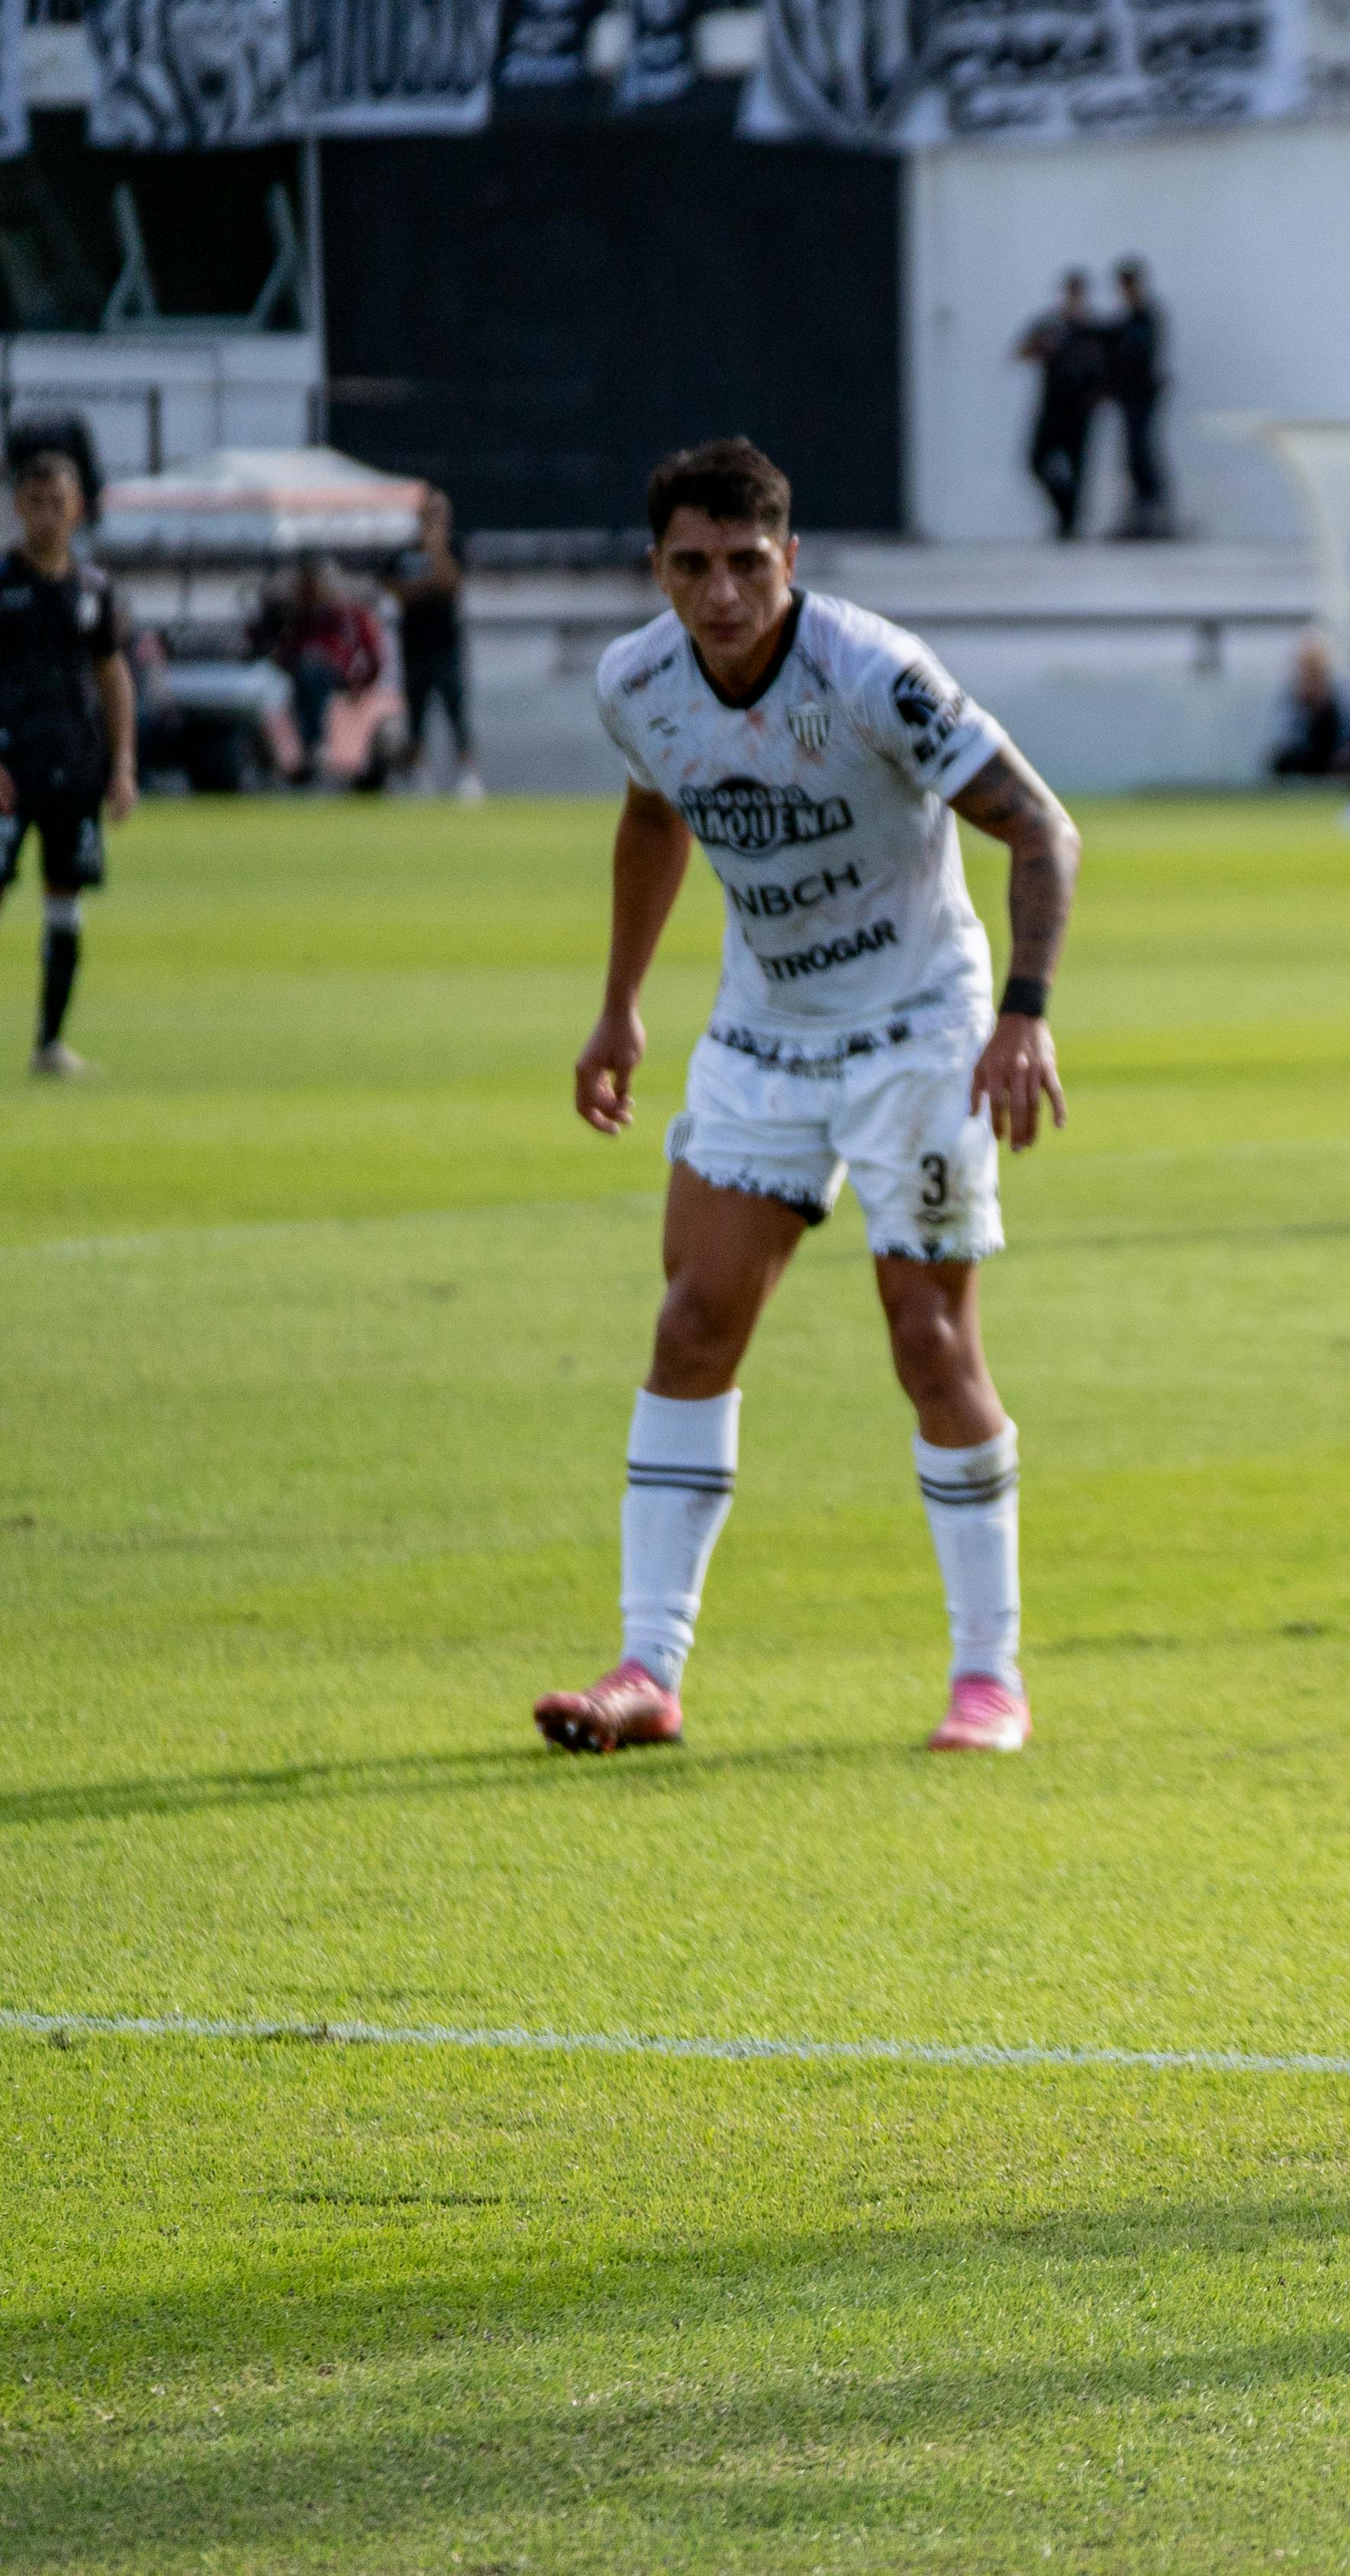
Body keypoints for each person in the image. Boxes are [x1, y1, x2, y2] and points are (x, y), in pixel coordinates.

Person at [530, 439, 1085, 1760]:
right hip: (763, 1033)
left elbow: (1041, 827)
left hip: (918, 1031)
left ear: (792, 560)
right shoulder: (638, 683)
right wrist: (619, 1003)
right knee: (692, 1322)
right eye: (691, 566)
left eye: (744, 564)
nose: (720, 594)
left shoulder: (874, 673)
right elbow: (655, 817)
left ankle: (986, 1675)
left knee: (930, 1345)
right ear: (656, 568)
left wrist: (1024, 1016)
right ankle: (646, 1670)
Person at [0, 445, 133, 1078]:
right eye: (37, 503)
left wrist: (124, 762)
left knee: (65, 900)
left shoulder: (94, 590)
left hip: (75, 768)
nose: (49, 515)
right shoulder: (2, 585)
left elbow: (113, 677)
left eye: (60, 503)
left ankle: (49, 1046)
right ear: (18, 506)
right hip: (7, 768)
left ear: (78, 508)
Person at [246, 559, 385, 790]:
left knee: (313, 670)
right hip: (292, 677)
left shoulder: (346, 614)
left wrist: (363, 683)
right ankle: (281, 754)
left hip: (333, 676)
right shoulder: (291, 615)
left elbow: (372, 652)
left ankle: (314, 744)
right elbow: (267, 644)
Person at [385, 490, 480, 803]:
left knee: (456, 711)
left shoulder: (454, 547)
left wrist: (435, 550)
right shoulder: (403, 551)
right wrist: (422, 586)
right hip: (413, 646)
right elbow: (397, 591)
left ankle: (468, 776)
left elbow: (449, 584)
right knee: (415, 715)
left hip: (446, 647)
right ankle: (418, 775)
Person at [1014, 272, 1105, 544]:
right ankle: (1063, 510)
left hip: (1081, 410)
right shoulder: (1049, 325)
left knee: (1078, 469)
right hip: (1052, 407)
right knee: (1036, 461)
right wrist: (1042, 347)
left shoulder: (1093, 329)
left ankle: (1070, 525)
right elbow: (1021, 353)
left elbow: (1107, 368)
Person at [1104, 257, 1173, 540]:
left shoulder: (1144, 316)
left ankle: (1153, 514)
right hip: (1131, 395)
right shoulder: (1130, 318)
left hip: (1141, 395)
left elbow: (1139, 354)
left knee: (1142, 454)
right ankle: (1143, 513)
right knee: (1134, 455)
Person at [1265, 632, 1350, 780]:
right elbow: (1286, 741)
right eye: (1305, 671)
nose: (1309, 677)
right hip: (1311, 757)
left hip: (1342, 756)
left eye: (1314, 671)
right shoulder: (1293, 697)